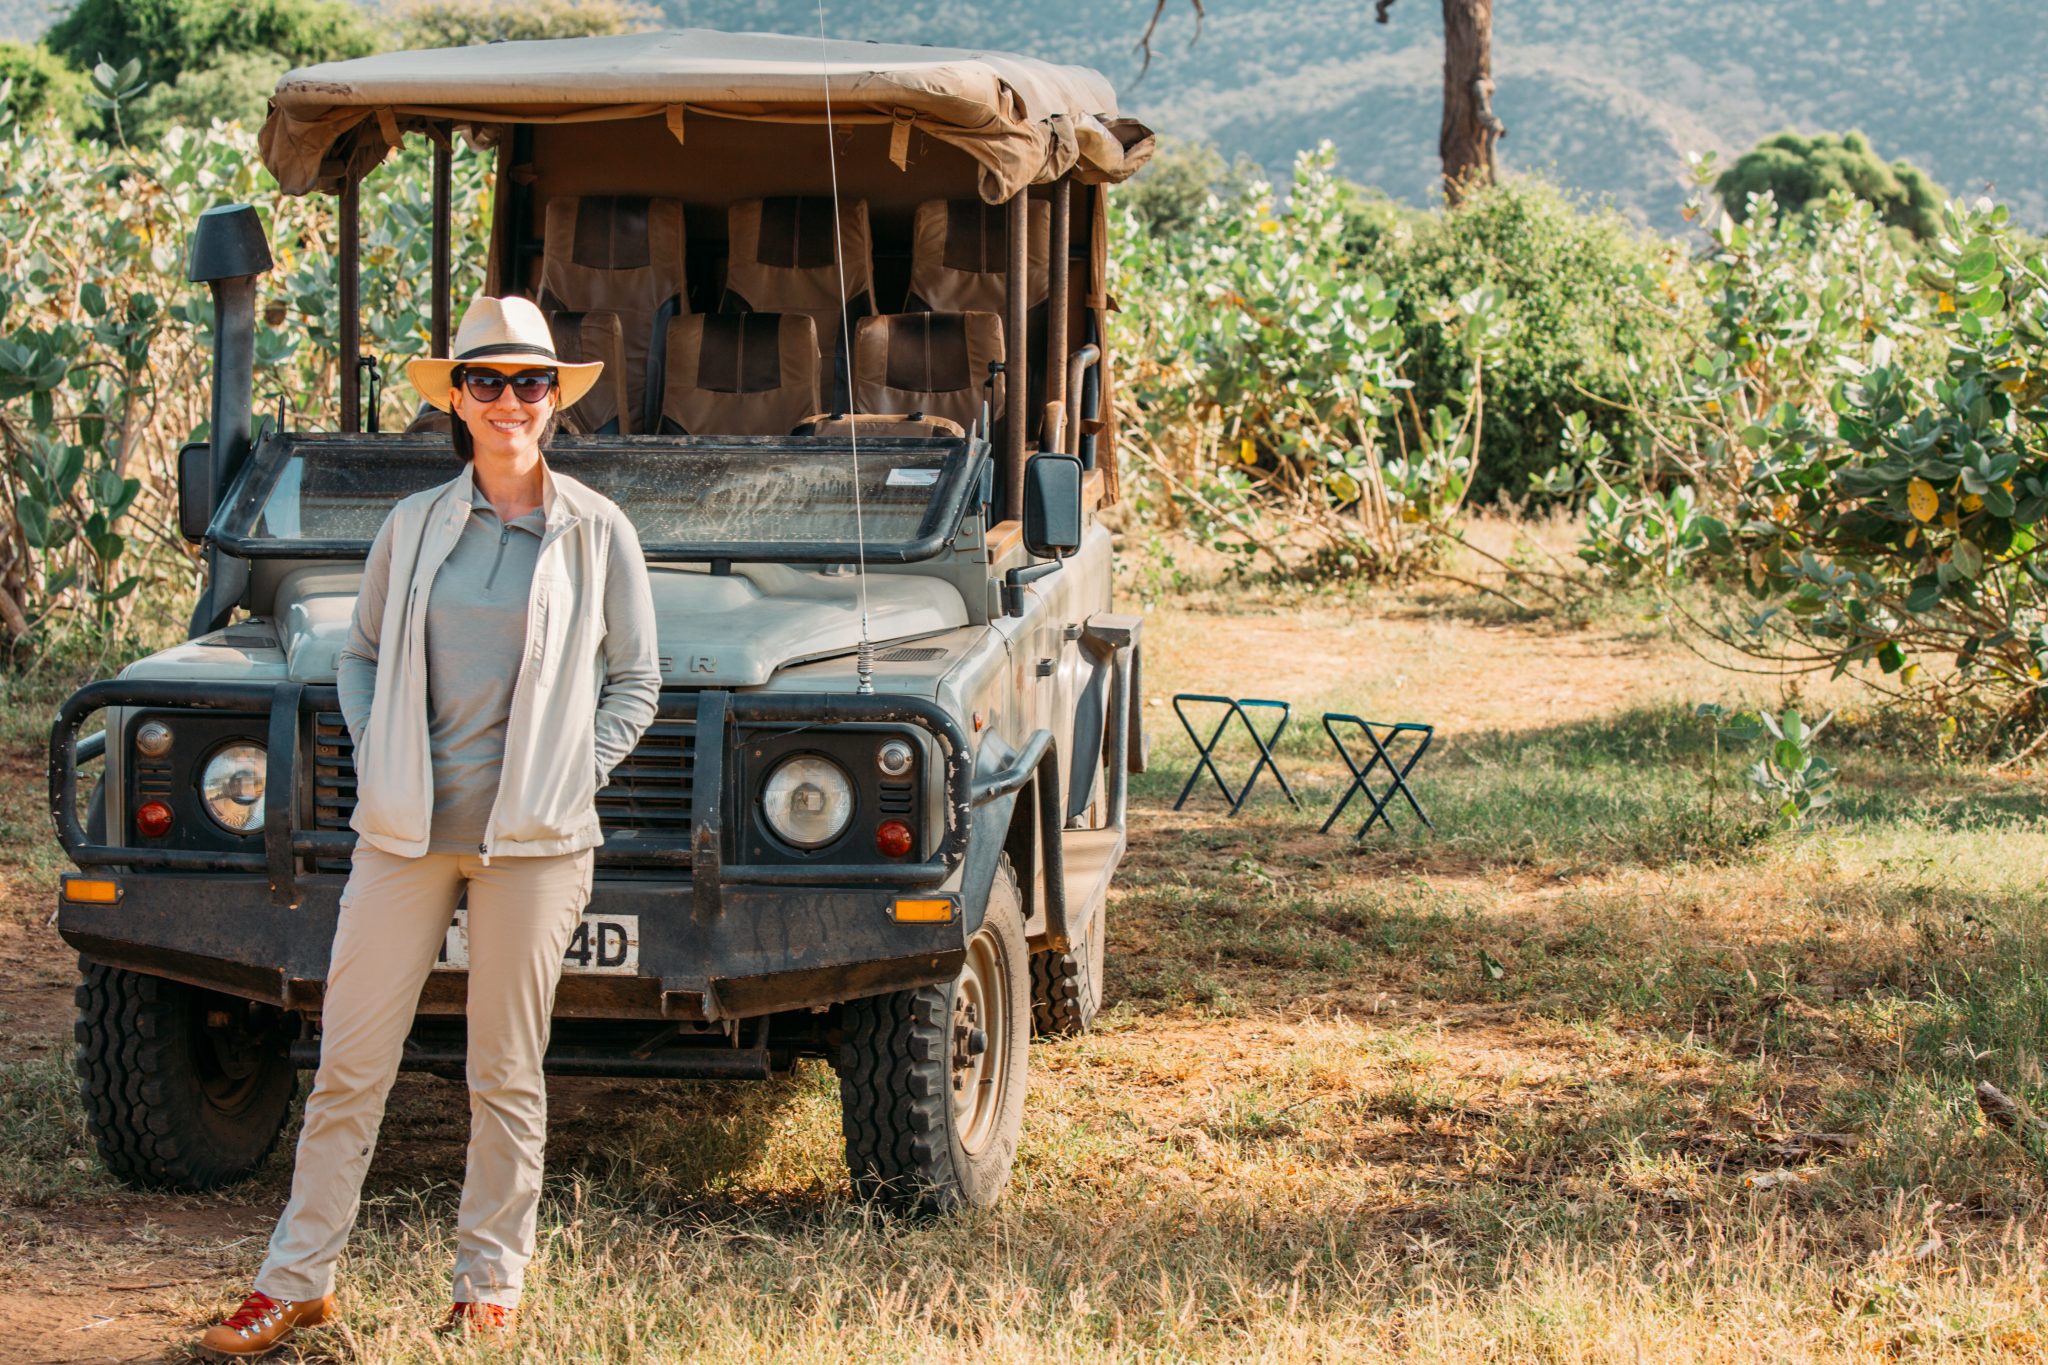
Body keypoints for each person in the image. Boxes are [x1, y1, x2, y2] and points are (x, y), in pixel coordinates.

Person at [198, 295, 661, 1358]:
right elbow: (357, 654)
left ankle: (488, 1285)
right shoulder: (413, 527)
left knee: (503, 1070)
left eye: (532, 383)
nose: (511, 401)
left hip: (536, 845)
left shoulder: (598, 532)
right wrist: (378, 749)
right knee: (349, 1066)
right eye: (488, 381)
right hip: (404, 834)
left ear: (556, 401)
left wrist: (570, 772)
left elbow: (635, 679)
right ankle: (295, 1281)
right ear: (455, 399)